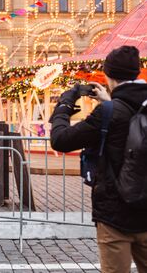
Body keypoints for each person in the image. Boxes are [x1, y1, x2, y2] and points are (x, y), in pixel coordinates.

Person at [49, 46, 147, 273]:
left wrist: (64, 106)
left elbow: (61, 140)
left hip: (115, 213)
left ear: (108, 75)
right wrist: (110, 99)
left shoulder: (109, 112)